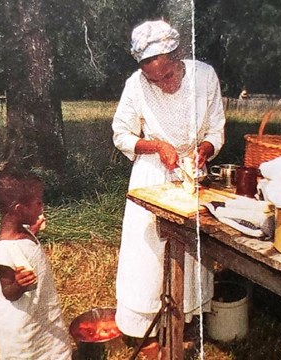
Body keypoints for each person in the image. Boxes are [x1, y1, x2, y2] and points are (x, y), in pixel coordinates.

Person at [111, 20, 226, 353]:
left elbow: (216, 130)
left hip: (191, 173)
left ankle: (183, 320)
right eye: (154, 79)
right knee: (148, 250)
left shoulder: (205, 76)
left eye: (169, 75)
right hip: (152, 175)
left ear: (179, 56)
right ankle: (142, 326)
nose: (163, 83)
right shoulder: (136, 85)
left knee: (190, 249)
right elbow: (122, 134)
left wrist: (205, 149)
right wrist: (157, 146)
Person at [0, 170, 72, 359]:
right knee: (33, 352)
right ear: (19, 209)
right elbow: (8, 291)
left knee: (51, 348)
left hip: (39, 313)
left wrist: (33, 230)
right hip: (22, 322)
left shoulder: (22, 232)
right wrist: (18, 284)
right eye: (38, 202)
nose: (42, 206)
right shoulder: (4, 249)